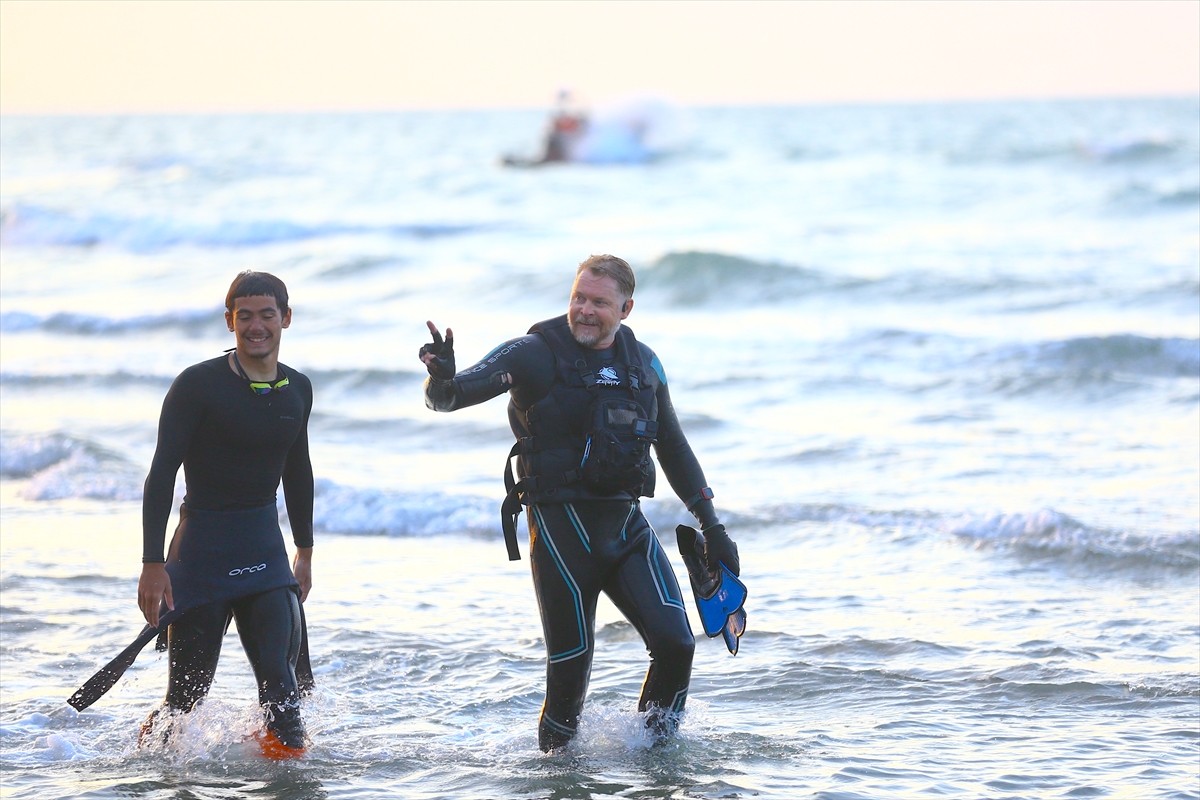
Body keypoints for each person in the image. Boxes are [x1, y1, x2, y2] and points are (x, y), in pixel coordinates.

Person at [419, 254, 740, 752]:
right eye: (578, 298)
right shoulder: (532, 353)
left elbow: (673, 447)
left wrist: (712, 526)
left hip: (626, 529)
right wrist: (440, 377)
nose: (584, 311)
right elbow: (450, 398)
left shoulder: (645, 364)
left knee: (677, 645)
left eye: (599, 302)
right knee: (570, 673)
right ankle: (556, 778)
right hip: (560, 534)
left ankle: (657, 761)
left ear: (626, 309)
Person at [69, 271, 316, 758]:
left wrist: (304, 552)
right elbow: (161, 474)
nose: (256, 325)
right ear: (230, 321)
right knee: (186, 699)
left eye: (267, 314)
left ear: (285, 318)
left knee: (284, 699)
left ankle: (288, 781)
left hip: (265, 556)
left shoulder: (298, 390)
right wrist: (151, 565)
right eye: (244, 316)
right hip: (202, 555)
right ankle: (151, 768)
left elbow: (299, 470)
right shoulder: (197, 385)